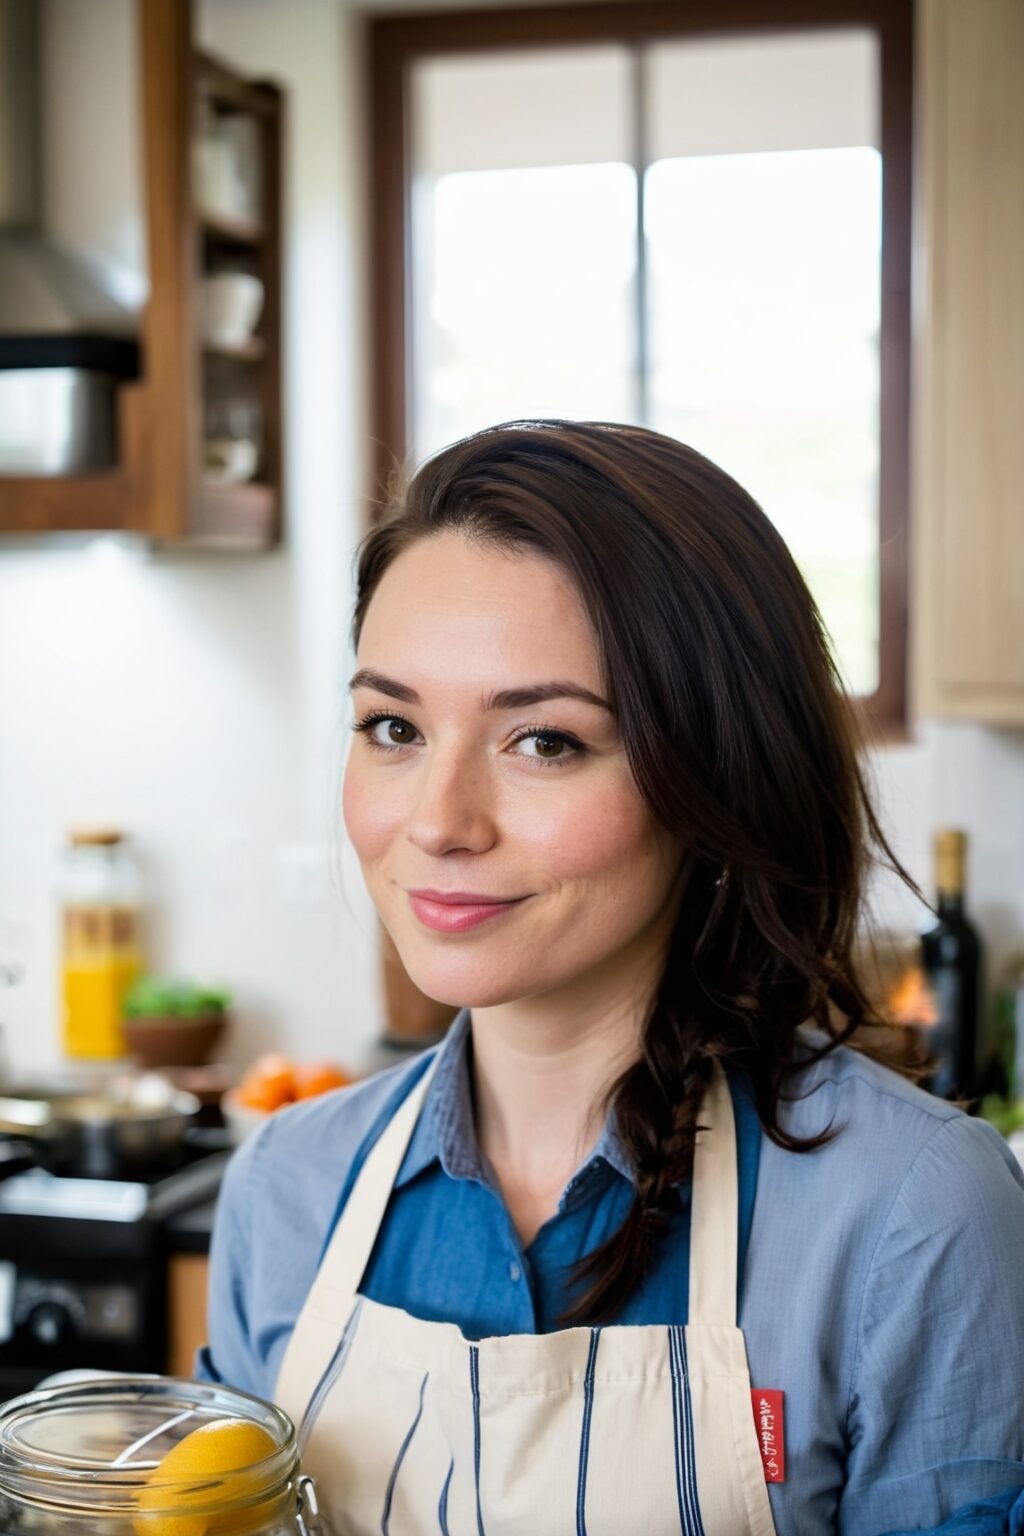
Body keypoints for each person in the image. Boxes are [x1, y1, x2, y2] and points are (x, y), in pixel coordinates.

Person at [198, 420, 1024, 1535]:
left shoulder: (912, 1216)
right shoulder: (286, 1190)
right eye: (392, 726)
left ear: (715, 777)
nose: (437, 822)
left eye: (544, 741)